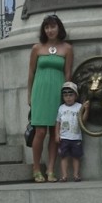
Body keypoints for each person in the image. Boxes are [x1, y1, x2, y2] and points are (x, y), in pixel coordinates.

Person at [27, 14, 73, 183]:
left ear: (59, 28)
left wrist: (68, 96)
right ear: (43, 30)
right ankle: (36, 167)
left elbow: (68, 73)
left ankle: (51, 169)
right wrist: (29, 94)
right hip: (40, 92)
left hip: (58, 93)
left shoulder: (67, 48)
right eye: (47, 27)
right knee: (40, 132)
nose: (50, 30)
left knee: (56, 132)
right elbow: (31, 73)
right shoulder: (36, 48)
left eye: (53, 26)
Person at [54, 80, 87, 182]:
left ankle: (76, 175)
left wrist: (87, 110)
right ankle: (64, 175)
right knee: (64, 156)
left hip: (76, 136)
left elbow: (83, 121)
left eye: (70, 95)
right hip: (64, 137)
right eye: (65, 95)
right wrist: (56, 134)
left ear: (75, 96)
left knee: (76, 157)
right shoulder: (61, 108)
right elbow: (58, 122)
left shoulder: (79, 107)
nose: (68, 97)